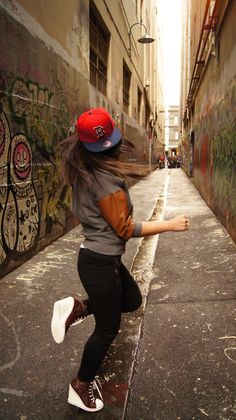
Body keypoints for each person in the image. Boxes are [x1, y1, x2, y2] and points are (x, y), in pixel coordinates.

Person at [51, 108, 190, 413]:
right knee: (107, 329)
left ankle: (79, 306)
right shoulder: (105, 183)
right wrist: (169, 224)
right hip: (100, 264)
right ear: (113, 143)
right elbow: (125, 229)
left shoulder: (85, 168)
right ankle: (81, 385)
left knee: (131, 299)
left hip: (99, 260)